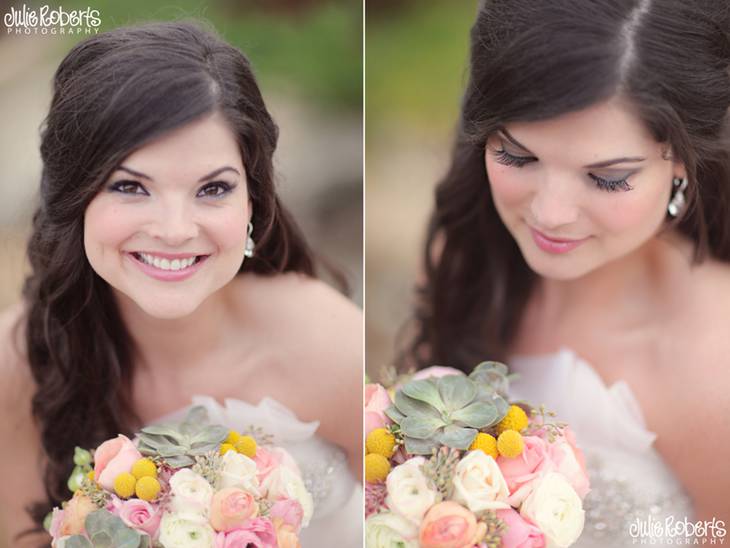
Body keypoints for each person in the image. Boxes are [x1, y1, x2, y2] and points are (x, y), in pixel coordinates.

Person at [0, 21, 362, 547]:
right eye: (130, 186)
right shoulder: (18, 363)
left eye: (213, 188)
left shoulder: (330, 347)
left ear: (253, 203)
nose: (174, 230)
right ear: (73, 200)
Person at [402, 0, 730, 544]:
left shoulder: (713, 364)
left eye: (606, 178)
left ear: (682, 157)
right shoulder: (462, 258)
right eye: (516, 156)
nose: (550, 213)